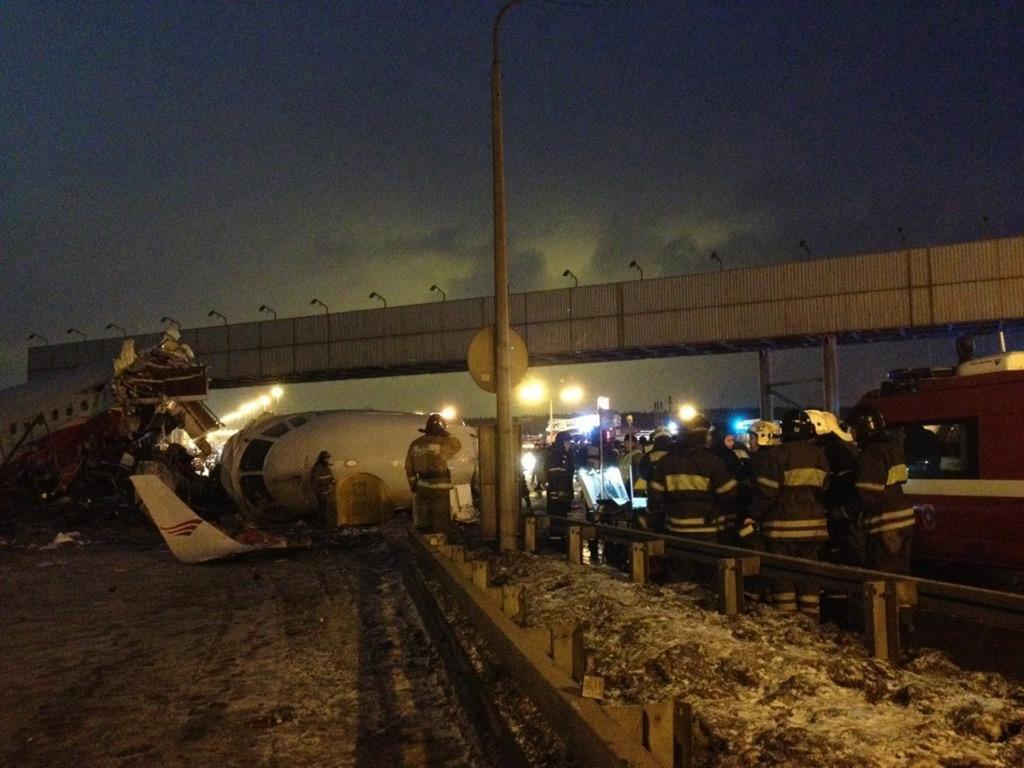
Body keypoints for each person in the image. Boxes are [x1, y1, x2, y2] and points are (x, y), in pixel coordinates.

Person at [756, 409, 830, 619]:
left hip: (782, 524)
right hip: (814, 525)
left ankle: (788, 619)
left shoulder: (775, 455)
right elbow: (824, 486)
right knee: (809, 571)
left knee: (783, 573)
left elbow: (766, 492)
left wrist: (753, 515)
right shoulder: (819, 454)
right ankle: (811, 619)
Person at [648, 414, 737, 542]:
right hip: (708, 532)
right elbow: (730, 494)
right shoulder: (712, 462)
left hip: (675, 531)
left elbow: (654, 497)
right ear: (701, 436)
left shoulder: (666, 462)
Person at [405, 414, 462, 534]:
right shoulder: (442, 442)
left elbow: (408, 467)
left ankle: (425, 543)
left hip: (422, 486)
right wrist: (446, 433)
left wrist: (413, 485)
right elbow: (457, 445)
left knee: (424, 520)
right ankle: (440, 546)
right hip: (440, 487)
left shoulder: (415, 444)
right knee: (441, 521)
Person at [544, 430, 576, 517]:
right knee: (558, 517)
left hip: (561, 493)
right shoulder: (556, 454)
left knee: (561, 517)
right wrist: (561, 492)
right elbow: (555, 475)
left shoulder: (563, 454)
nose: (569, 445)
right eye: (568, 442)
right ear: (563, 442)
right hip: (557, 494)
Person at [309, 451, 336, 525]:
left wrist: (333, 481)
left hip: (326, 490)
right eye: (326, 458)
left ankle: (325, 521)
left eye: (328, 458)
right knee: (323, 507)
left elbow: (330, 476)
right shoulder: (317, 468)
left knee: (325, 506)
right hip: (321, 490)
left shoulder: (326, 467)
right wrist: (327, 483)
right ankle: (323, 522)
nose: (327, 460)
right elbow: (316, 479)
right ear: (322, 459)